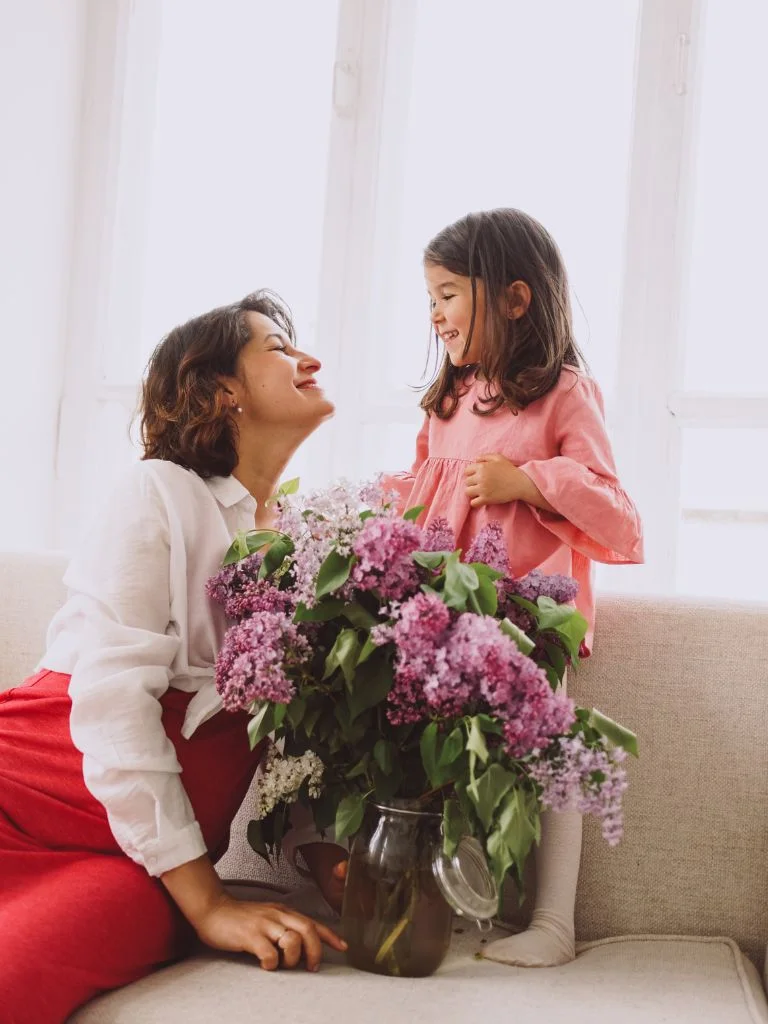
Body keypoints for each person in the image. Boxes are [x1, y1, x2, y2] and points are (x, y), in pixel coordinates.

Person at [0, 291, 348, 1024]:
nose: (308, 360)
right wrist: (211, 902)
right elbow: (111, 698)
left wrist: (334, 861)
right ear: (223, 390)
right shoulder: (157, 492)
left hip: (139, 863)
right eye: (280, 348)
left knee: (18, 971)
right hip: (17, 798)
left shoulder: (312, 546)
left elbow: (291, 746)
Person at [385, 209, 644, 967]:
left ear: (514, 299)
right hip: (447, 617)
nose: (434, 314)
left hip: (532, 611)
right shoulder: (448, 402)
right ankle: (471, 907)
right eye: (428, 297)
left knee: (549, 751)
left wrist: (525, 480)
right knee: (451, 757)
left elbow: (616, 512)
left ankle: (554, 926)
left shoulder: (564, 393)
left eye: (448, 294)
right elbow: (413, 498)